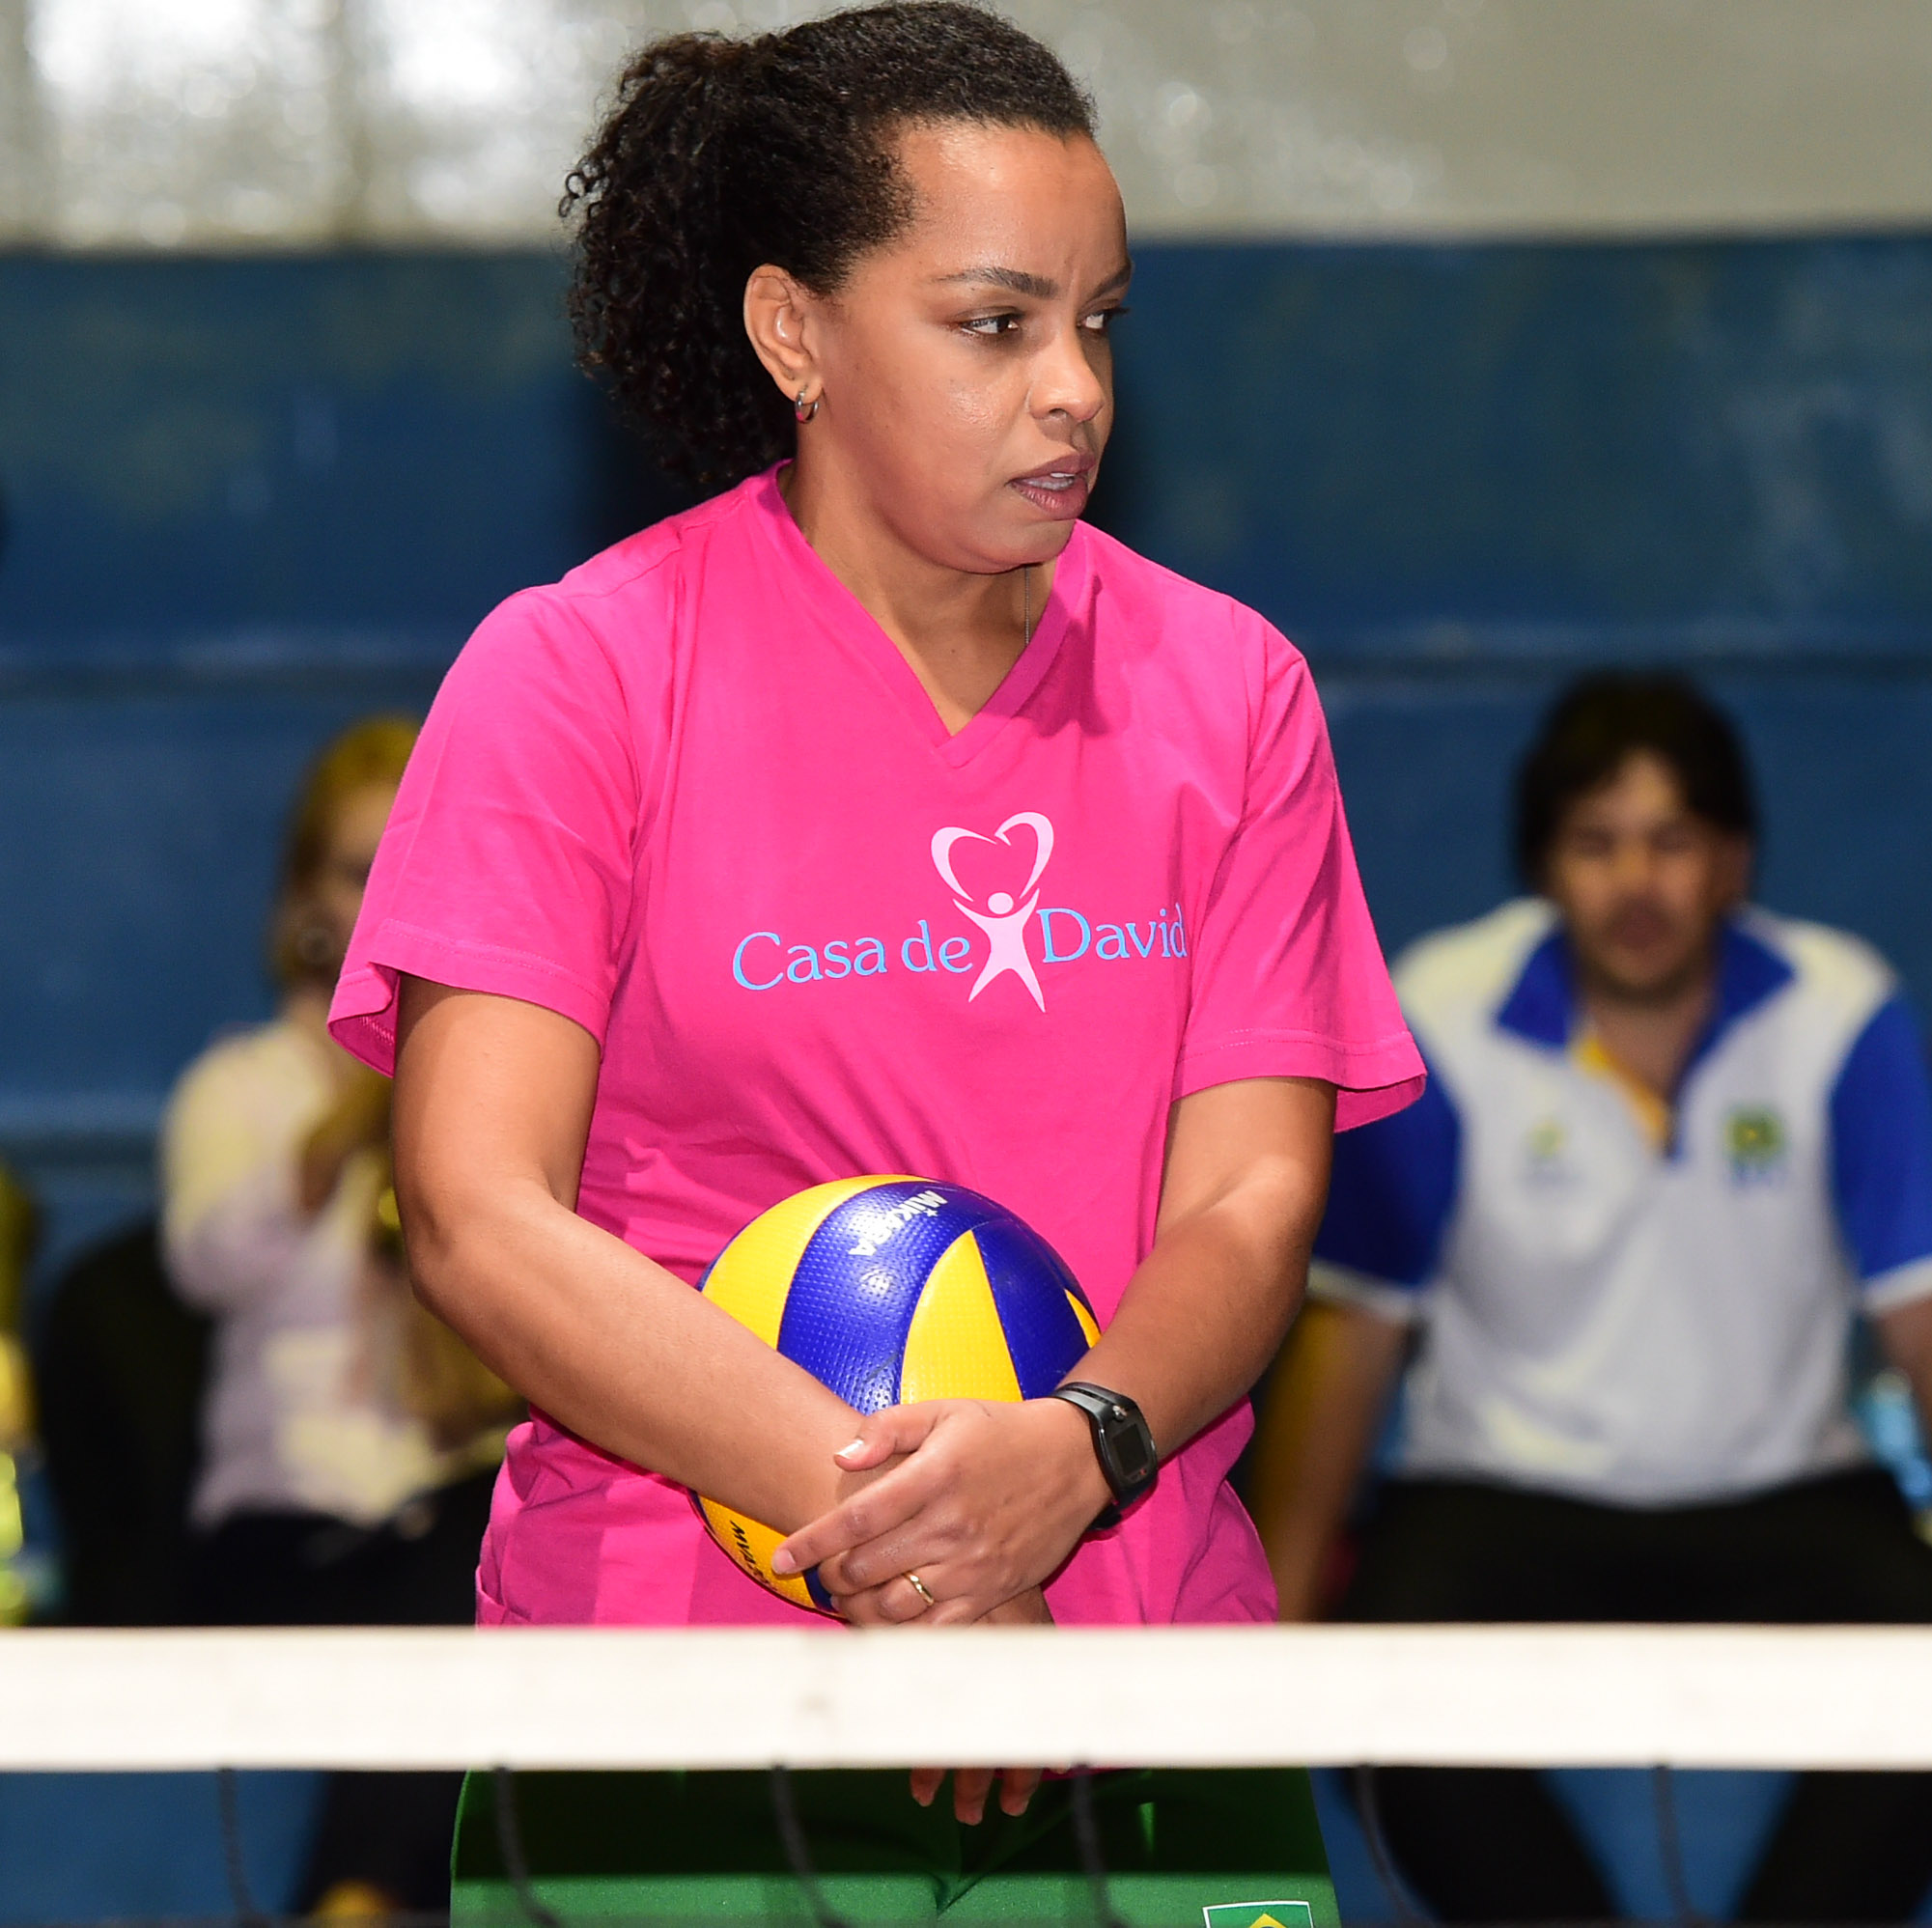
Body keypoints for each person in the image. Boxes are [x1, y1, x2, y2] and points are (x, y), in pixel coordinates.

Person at [325, 6, 1418, 1918]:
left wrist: (1070, 1457)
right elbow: (479, 1208)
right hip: (677, 1707)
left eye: (1101, 321)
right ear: (796, 333)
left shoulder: (1234, 692)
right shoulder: (575, 676)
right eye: (996, 323)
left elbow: (1253, 1194)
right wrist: (921, 1530)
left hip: (1134, 1684)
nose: (1070, 386)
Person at [1249, 672, 1932, 1924]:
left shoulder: (1839, 1012)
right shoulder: (1440, 1012)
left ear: (1734, 863)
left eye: (1672, 841)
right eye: (1596, 844)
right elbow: (1352, 1332)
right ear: (1545, 866)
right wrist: (1261, 1657)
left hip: (1786, 1497)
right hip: (1499, 1499)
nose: (1635, 882)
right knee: (1375, 1696)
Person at [160, 714, 512, 1917]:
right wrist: (359, 1105)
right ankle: (358, 1894)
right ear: (304, 889)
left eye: (401, 864)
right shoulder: (240, 1083)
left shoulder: (489, 1077)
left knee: (475, 1541)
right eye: (351, 871)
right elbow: (210, 1260)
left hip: (433, 1501)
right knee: (436, 1589)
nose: (374, 897)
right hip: (279, 1526)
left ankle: (355, 1895)